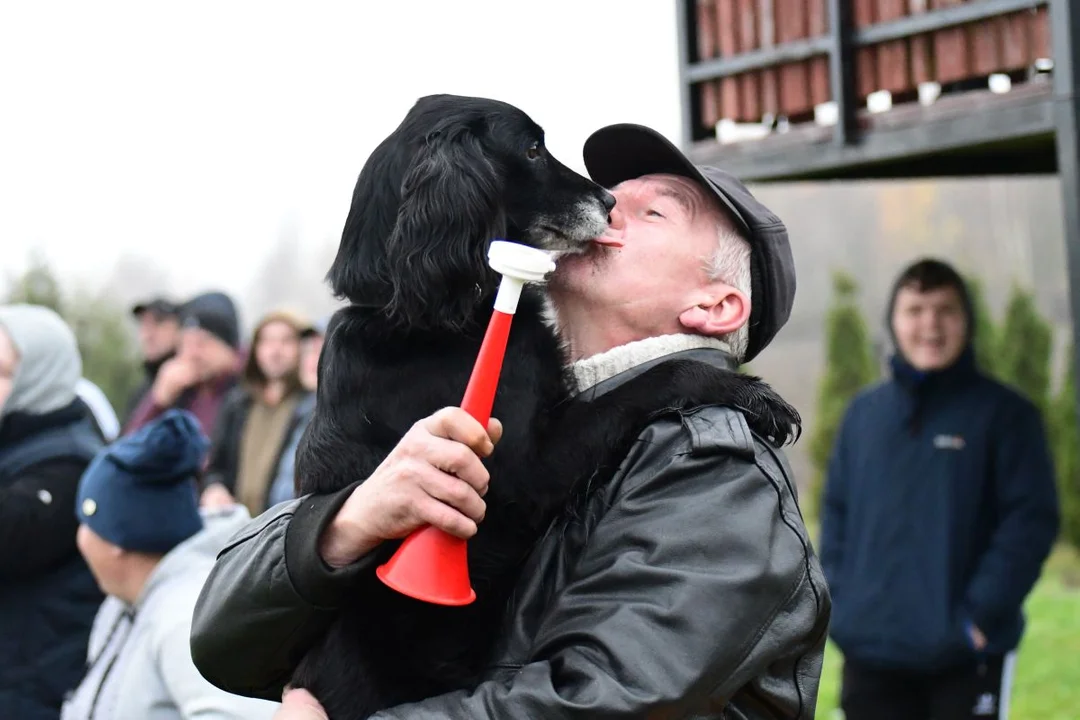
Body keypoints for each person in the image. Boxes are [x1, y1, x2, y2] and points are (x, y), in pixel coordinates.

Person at [189, 123, 830, 719]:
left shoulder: (717, 471)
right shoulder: (522, 414)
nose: (606, 205)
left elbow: (598, 699)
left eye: (654, 211)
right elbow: (222, 638)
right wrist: (345, 524)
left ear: (715, 305)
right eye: (615, 193)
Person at [819, 258, 1060, 720]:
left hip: (965, 655)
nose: (930, 324)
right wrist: (843, 611)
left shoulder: (1006, 415)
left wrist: (980, 618)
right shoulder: (863, 416)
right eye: (915, 309)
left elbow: (1029, 523)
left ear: (966, 320)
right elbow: (836, 516)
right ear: (894, 320)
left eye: (945, 309)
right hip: (871, 653)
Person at [61, 409, 281, 720]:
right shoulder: (127, 600)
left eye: (87, 522)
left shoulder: (183, 613)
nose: (80, 536)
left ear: (117, 542)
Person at [0, 304, 106, 720]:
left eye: (5, 372)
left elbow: (9, 537)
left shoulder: (70, 461)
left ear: (39, 379)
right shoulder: (17, 437)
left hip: (34, 681)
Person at [199, 309, 313, 516]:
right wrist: (214, 488)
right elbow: (215, 466)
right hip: (238, 528)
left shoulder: (310, 407)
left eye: (286, 341)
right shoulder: (238, 404)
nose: (275, 351)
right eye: (267, 341)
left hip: (282, 528)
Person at [123, 291, 242, 438]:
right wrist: (158, 402)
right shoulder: (182, 391)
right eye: (186, 344)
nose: (192, 354)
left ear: (230, 350)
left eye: (202, 343)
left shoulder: (244, 395)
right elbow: (128, 451)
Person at [265, 316, 326, 509]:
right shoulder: (301, 411)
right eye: (307, 350)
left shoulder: (346, 421)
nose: (311, 359)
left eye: (321, 349)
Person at [122, 297, 182, 427]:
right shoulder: (141, 390)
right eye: (144, 324)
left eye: (158, 323)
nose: (148, 334)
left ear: (180, 328)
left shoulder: (192, 388)